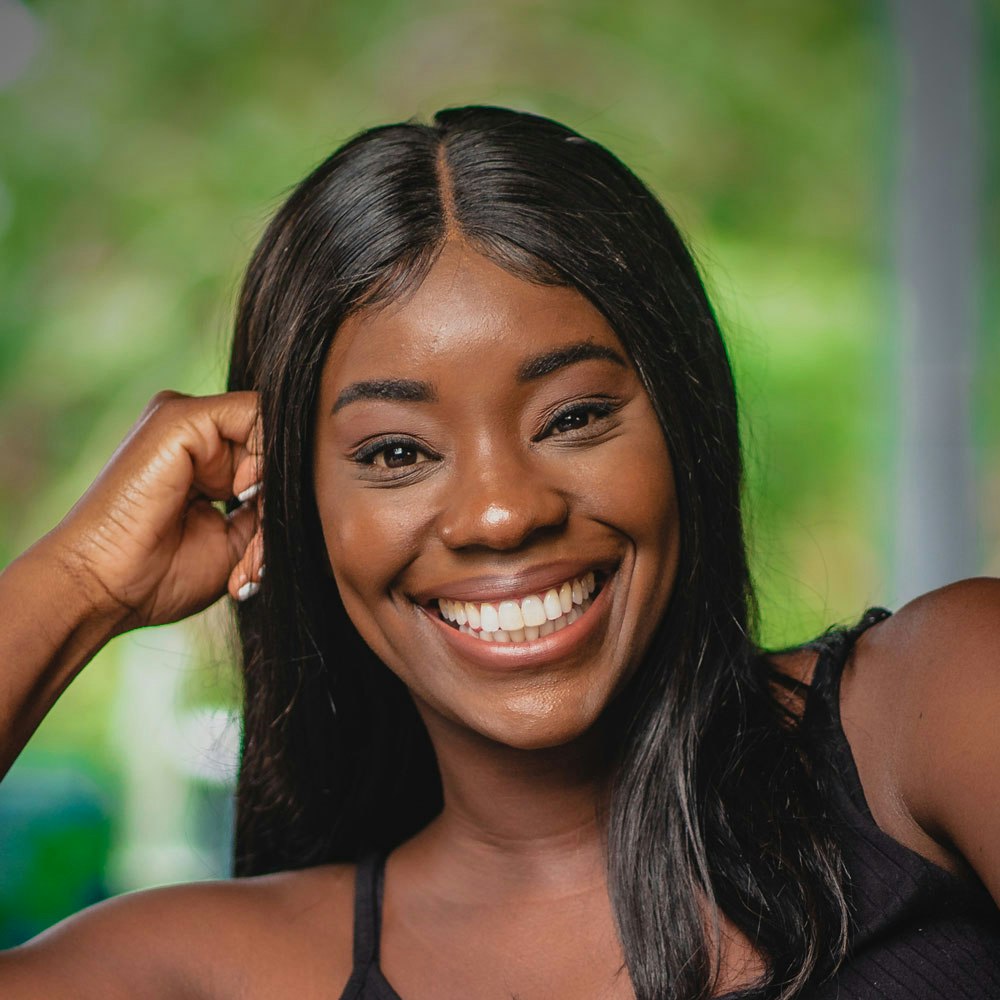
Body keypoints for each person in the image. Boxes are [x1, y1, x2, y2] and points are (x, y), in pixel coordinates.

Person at [0, 105, 998, 1000]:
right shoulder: (225, 968)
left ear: (684, 425)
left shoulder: (938, 707)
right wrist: (83, 580)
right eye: (396, 452)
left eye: (572, 417)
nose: (501, 513)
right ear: (300, 510)